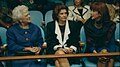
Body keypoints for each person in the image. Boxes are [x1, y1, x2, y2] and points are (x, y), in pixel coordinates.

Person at [84, 2, 116, 67]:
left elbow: (112, 42)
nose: (91, 13)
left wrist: (107, 52)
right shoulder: (88, 25)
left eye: (93, 11)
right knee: (102, 57)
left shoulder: (110, 25)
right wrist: (96, 53)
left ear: (100, 13)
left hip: (107, 50)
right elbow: (89, 42)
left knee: (110, 58)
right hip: (93, 51)